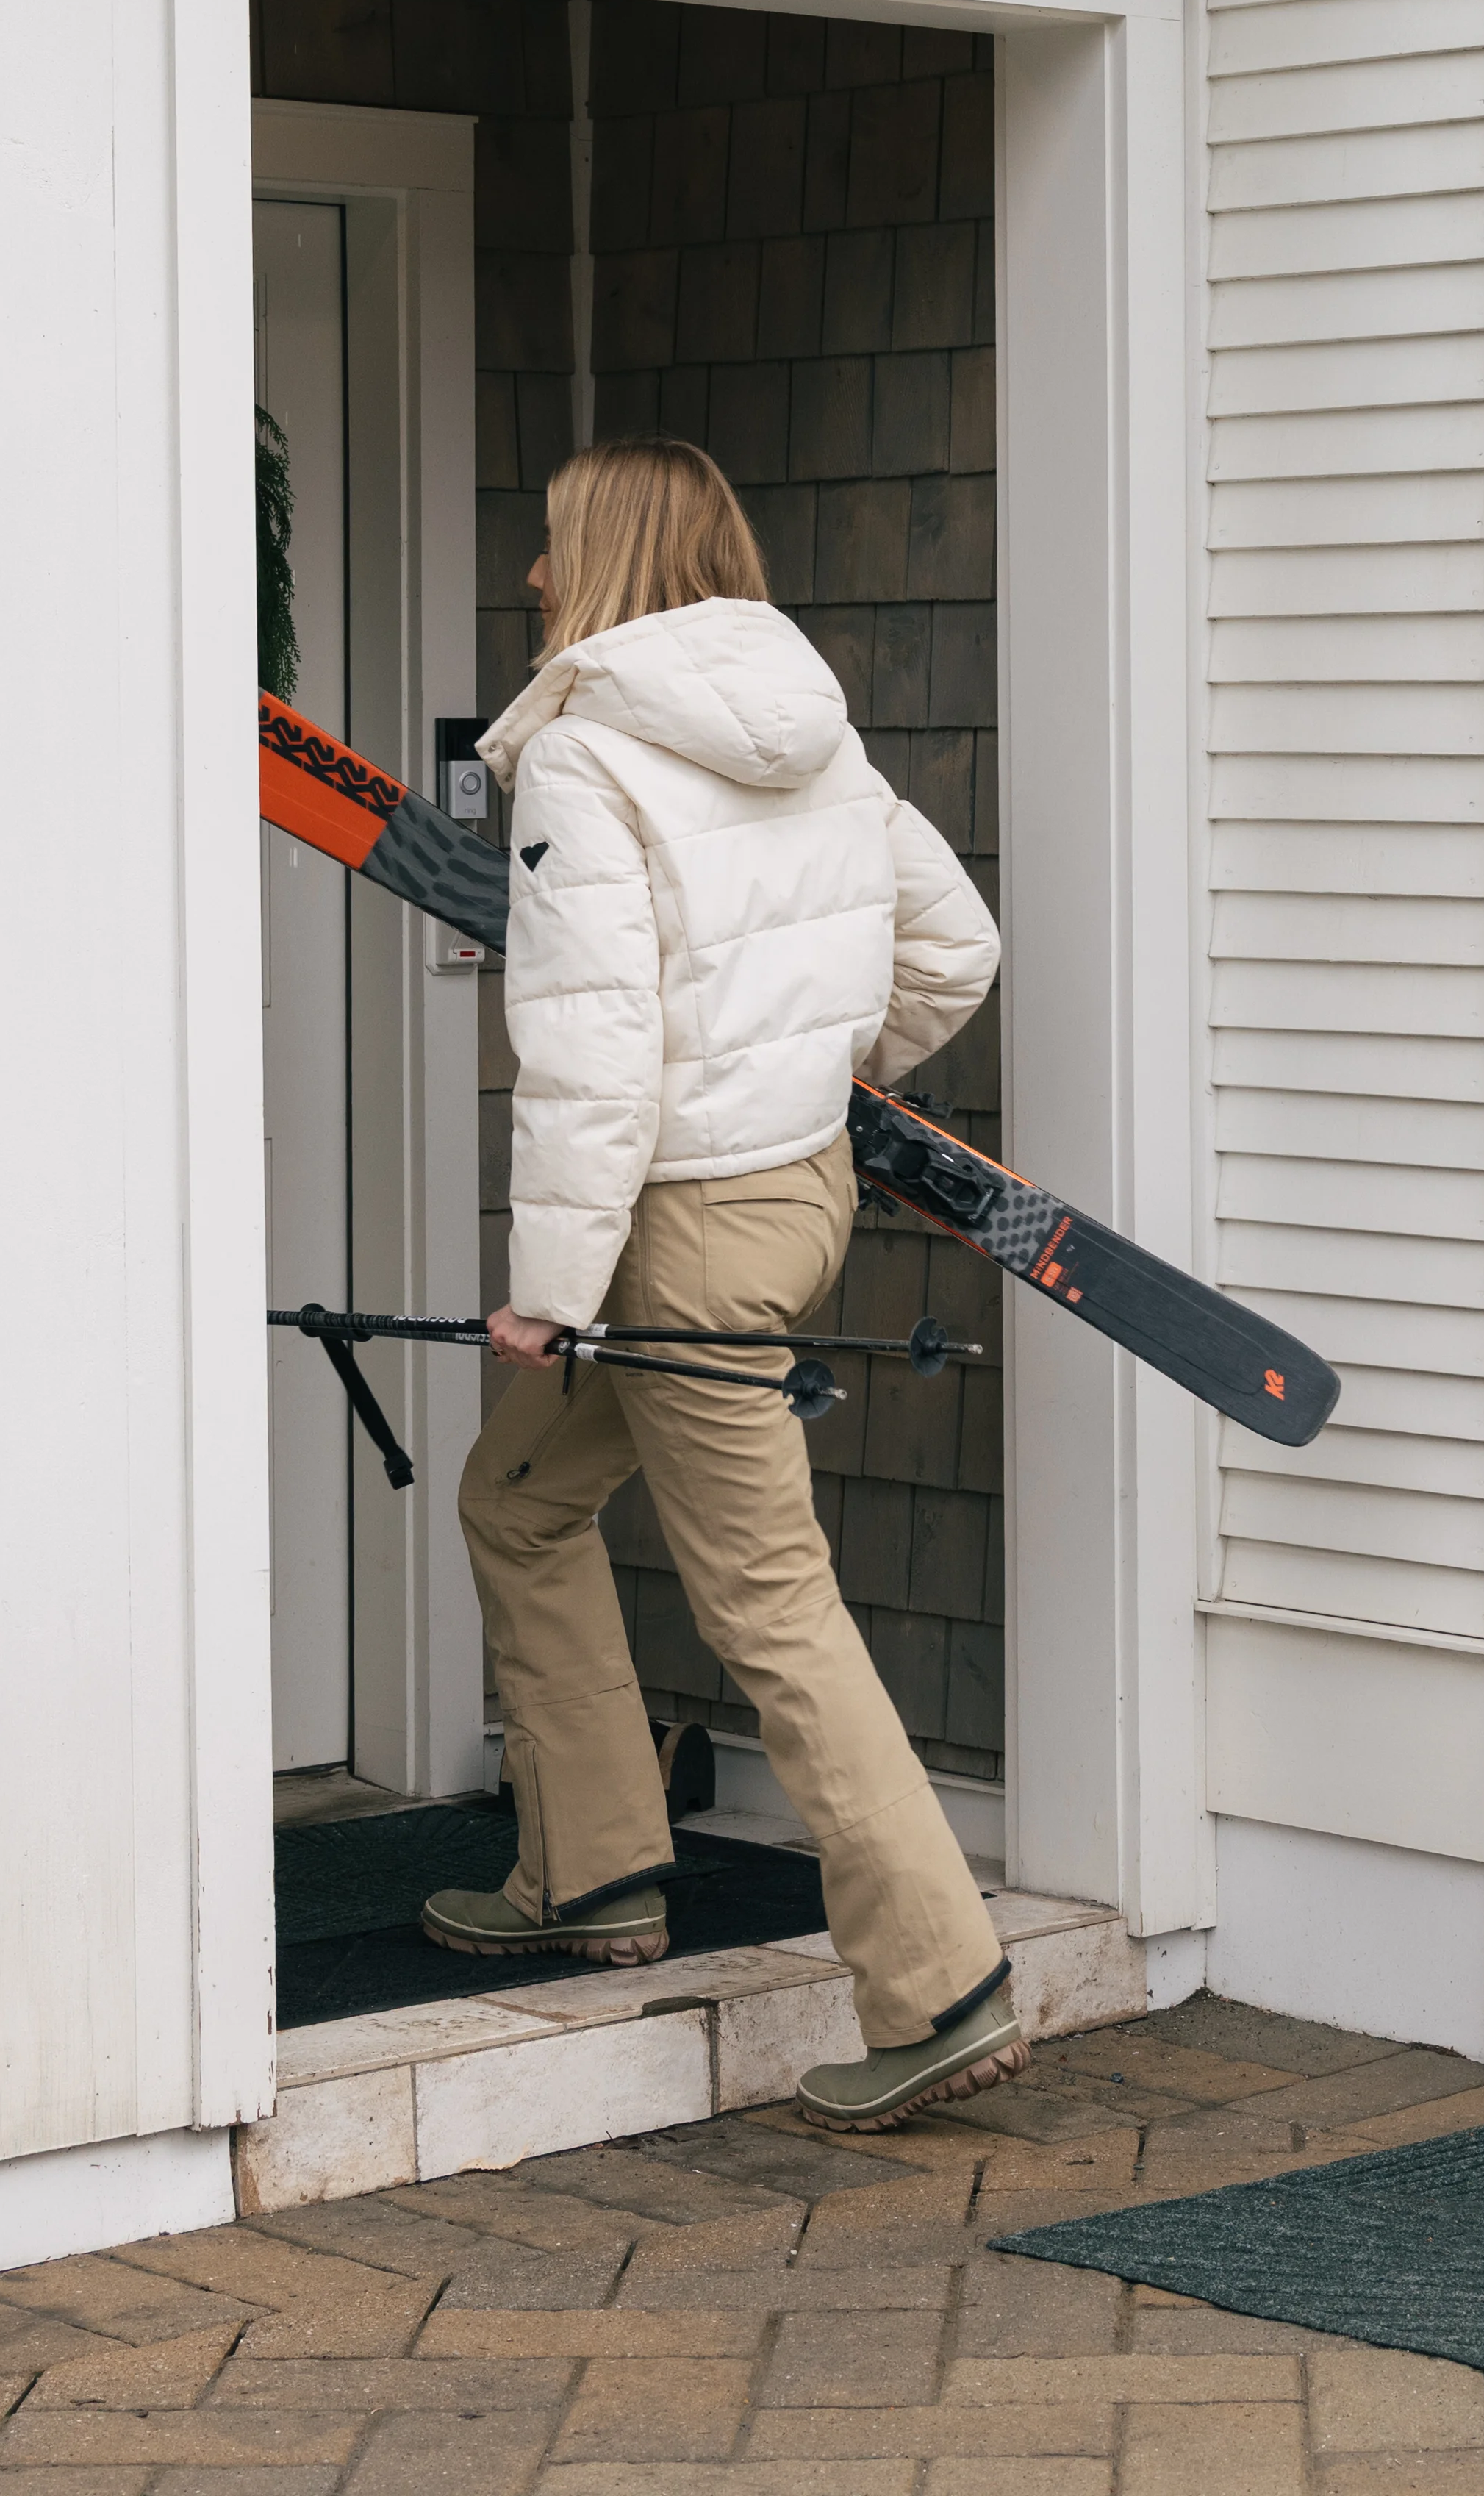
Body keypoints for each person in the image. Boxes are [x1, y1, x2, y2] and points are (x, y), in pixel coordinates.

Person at [426, 437, 1022, 2128]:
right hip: (790, 1198)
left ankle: (941, 1983)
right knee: (519, 1497)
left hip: (667, 1232)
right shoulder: (808, 729)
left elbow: (595, 1051)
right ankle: (593, 1866)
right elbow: (955, 948)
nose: (533, 575)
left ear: (604, 556)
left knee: (769, 1597)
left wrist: (542, 1286)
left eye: (549, 544)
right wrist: (803, 1076)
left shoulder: (591, 753)